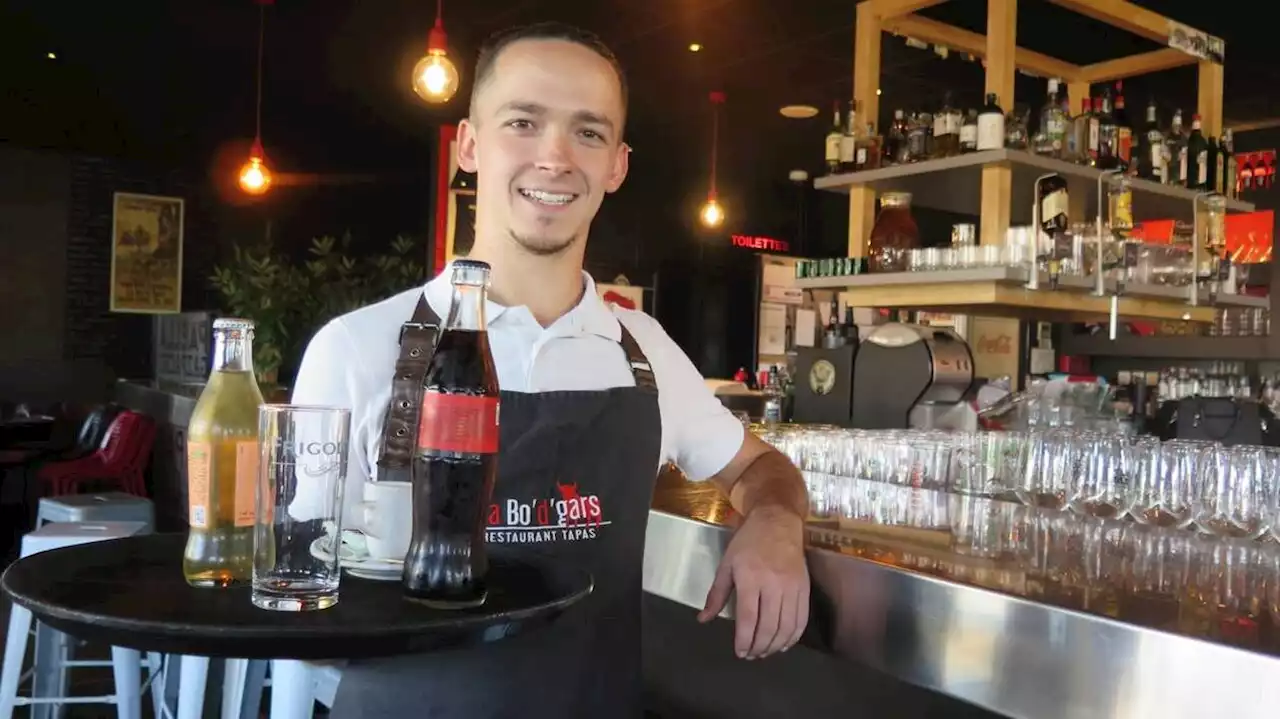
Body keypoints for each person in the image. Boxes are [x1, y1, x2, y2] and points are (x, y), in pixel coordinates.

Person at [291, 21, 809, 718]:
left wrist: (777, 521)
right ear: (470, 145)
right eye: (523, 122)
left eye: (588, 133)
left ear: (617, 165)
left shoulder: (645, 351)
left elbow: (757, 469)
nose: (556, 156)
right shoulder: (358, 348)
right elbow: (294, 588)